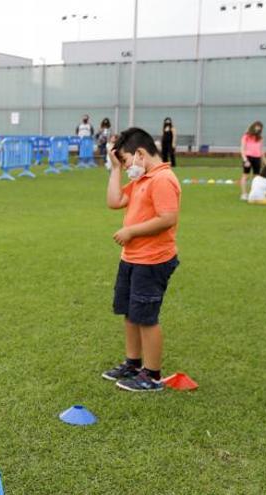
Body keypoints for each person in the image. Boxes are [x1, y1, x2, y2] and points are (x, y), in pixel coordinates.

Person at [103, 128, 181, 392]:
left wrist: (131, 231)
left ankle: (152, 375)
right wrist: (114, 169)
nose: (126, 168)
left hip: (153, 261)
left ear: (140, 154)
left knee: (146, 317)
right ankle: (133, 363)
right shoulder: (142, 179)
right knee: (130, 313)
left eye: (125, 162)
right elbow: (114, 201)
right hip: (133, 258)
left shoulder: (162, 179)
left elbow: (167, 218)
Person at [240, 121, 266, 201]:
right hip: (248, 158)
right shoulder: (246, 136)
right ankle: (244, 194)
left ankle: (254, 193)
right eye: (257, 126)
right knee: (246, 176)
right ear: (253, 126)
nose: (258, 128)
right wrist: (245, 160)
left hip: (257, 158)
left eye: (260, 127)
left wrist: (265, 162)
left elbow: (261, 151)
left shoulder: (260, 138)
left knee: (256, 177)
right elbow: (242, 149)